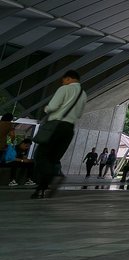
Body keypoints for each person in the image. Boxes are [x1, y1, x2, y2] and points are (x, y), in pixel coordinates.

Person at [31, 69, 86, 199]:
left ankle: (54, 176)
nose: (63, 82)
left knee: (41, 155)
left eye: (64, 80)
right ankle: (42, 188)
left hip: (56, 126)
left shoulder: (64, 89)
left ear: (68, 79)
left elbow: (53, 106)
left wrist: (46, 109)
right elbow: (79, 114)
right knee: (53, 159)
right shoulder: (83, 94)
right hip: (69, 128)